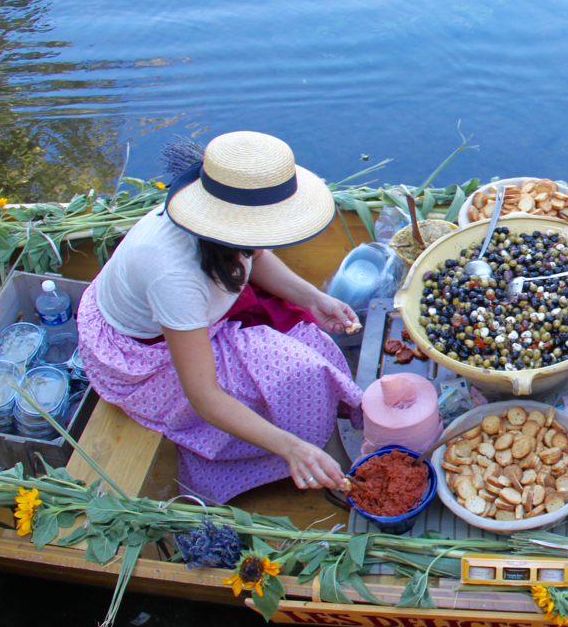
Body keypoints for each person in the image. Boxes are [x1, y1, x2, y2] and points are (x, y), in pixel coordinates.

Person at [77, 131, 365, 505]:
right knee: (299, 377)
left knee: (315, 342)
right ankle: (310, 455)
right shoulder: (173, 273)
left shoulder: (226, 227)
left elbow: (254, 257)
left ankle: (322, 441)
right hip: (143, 356)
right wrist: (292, 448)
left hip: (195, 318)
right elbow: (205, 398)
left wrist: (312, 298)